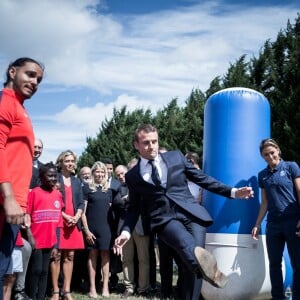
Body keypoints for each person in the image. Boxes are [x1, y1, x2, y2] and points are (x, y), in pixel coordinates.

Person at [113, 124, 253, 300]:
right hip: (164, 220)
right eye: (146, 142)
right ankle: (210, 270)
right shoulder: (133, 175)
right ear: (136, 145)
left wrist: (232, 192)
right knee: (190, 249)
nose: (152, 146)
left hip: (192, 214)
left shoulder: (176, 157)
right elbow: (133, 208)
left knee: (191, 267)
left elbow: (202, 179)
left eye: (154, 141)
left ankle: (200, 274)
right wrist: (126, 231)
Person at [0, 57, 44, 299]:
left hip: (13, 207)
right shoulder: (5, 102)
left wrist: (22, 205)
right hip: (3, 202)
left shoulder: (20, 108)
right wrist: (8, 197)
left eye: (38, 79)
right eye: (29, 74)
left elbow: (17, 161)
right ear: (12, 71)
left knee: (5, 269)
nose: (34, 82)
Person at [251, 138, 300, 300]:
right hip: (273, 224)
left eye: (272, 153)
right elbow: (264, 202)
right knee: (274, 264)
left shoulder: (291, 167)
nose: (270, 157)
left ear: (278, 150)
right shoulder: (262, 175)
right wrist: (257, 224)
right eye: (266, 155)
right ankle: (277, 297)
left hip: (293, 222)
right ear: (262, 156)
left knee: (297, 264)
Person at [25, 163, 63, 300]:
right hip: (36, 240)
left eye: (55, 176)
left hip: (50, 241)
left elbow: (59, 222)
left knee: (45, 271)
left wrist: (56, 245)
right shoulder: (34, 193)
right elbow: (27, 215)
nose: (53, 178)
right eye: (50, 175)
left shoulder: (58, 195)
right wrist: (29, 236)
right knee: (35, 270)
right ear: (41, 177)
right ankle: (30, 296)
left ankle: (41, 296)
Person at [50, 150, 84, 300]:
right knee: (56, 256)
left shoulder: (77, 181)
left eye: (72, 161)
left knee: (70, 256)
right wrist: (65, 216)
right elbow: (52, 200)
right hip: (59, 221)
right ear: (61, 163)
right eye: (67, 161)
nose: (70, 163)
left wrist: (76, 216)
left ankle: (66, 290)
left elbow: (81, 203)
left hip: (73, 223)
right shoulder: (55, 178)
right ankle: (56, 291)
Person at [113, 164, 151, 298]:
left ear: (128, 172)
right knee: (127, 259)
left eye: (122, 173)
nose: (121, 176)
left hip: (141, 226)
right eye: (118, 175)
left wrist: (128, 199)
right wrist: (128, 200)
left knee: (143, 259)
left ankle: (143, 288)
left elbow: (145, 204)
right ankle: (129, 287)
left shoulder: (141, 186)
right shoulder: (119, 188)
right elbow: (117, 203)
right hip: (124, 228)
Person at [81, 161, 113, 298]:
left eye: (102, 172)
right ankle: (92, 288)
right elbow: (82, 212)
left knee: (105, 256)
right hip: (91, 228)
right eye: (97, 172)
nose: (100, 174)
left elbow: (110, 210)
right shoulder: (87, 189)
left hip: (106, 228)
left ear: (105, 174)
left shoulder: (109, 190)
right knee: (92, 255)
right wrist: (86, 230)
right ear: (93, 173)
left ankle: (105, 287)